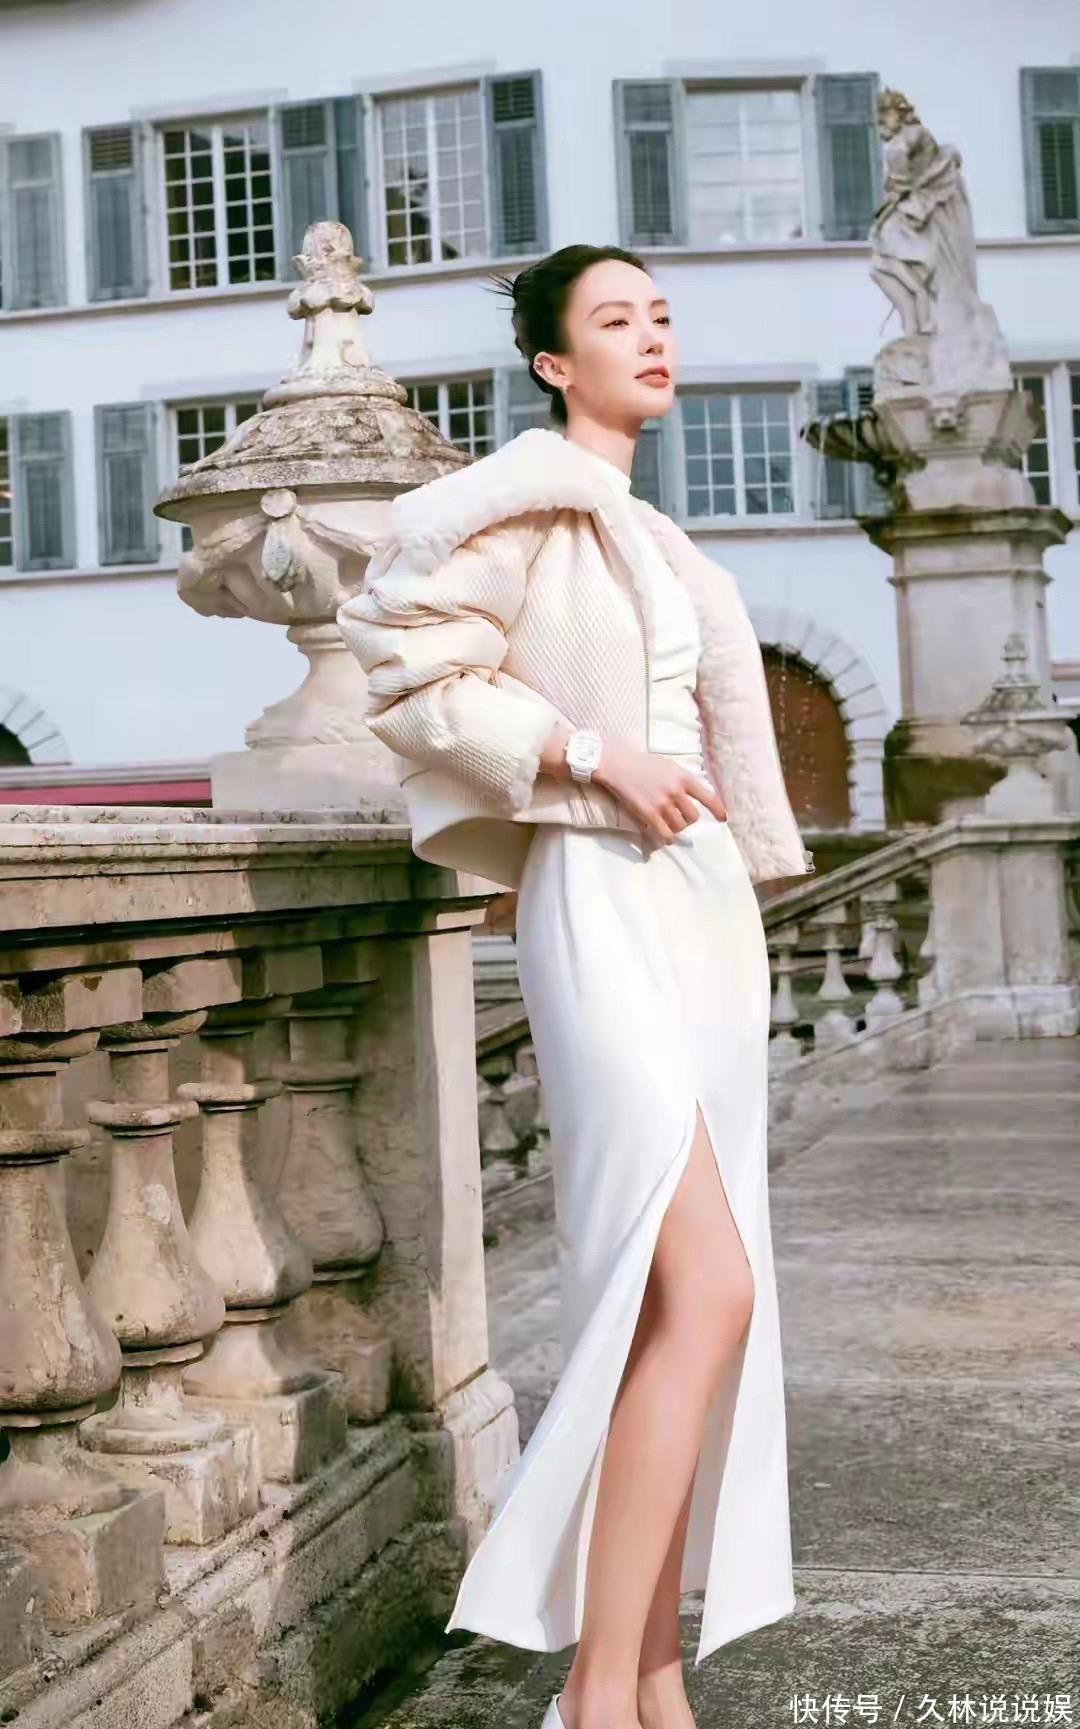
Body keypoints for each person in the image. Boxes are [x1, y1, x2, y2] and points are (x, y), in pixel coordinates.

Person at [336, 244, 812, 1729]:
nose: (652, 336)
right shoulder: (523, 504)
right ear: (554, 362)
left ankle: (654, 1683)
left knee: (671, 1304)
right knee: (703, 1286)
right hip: (597, 893)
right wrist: (591, 754)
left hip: (696, 907)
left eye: (659, 314)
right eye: (616, 319)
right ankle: (597, 1697)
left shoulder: (654, 535)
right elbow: (403, 660)